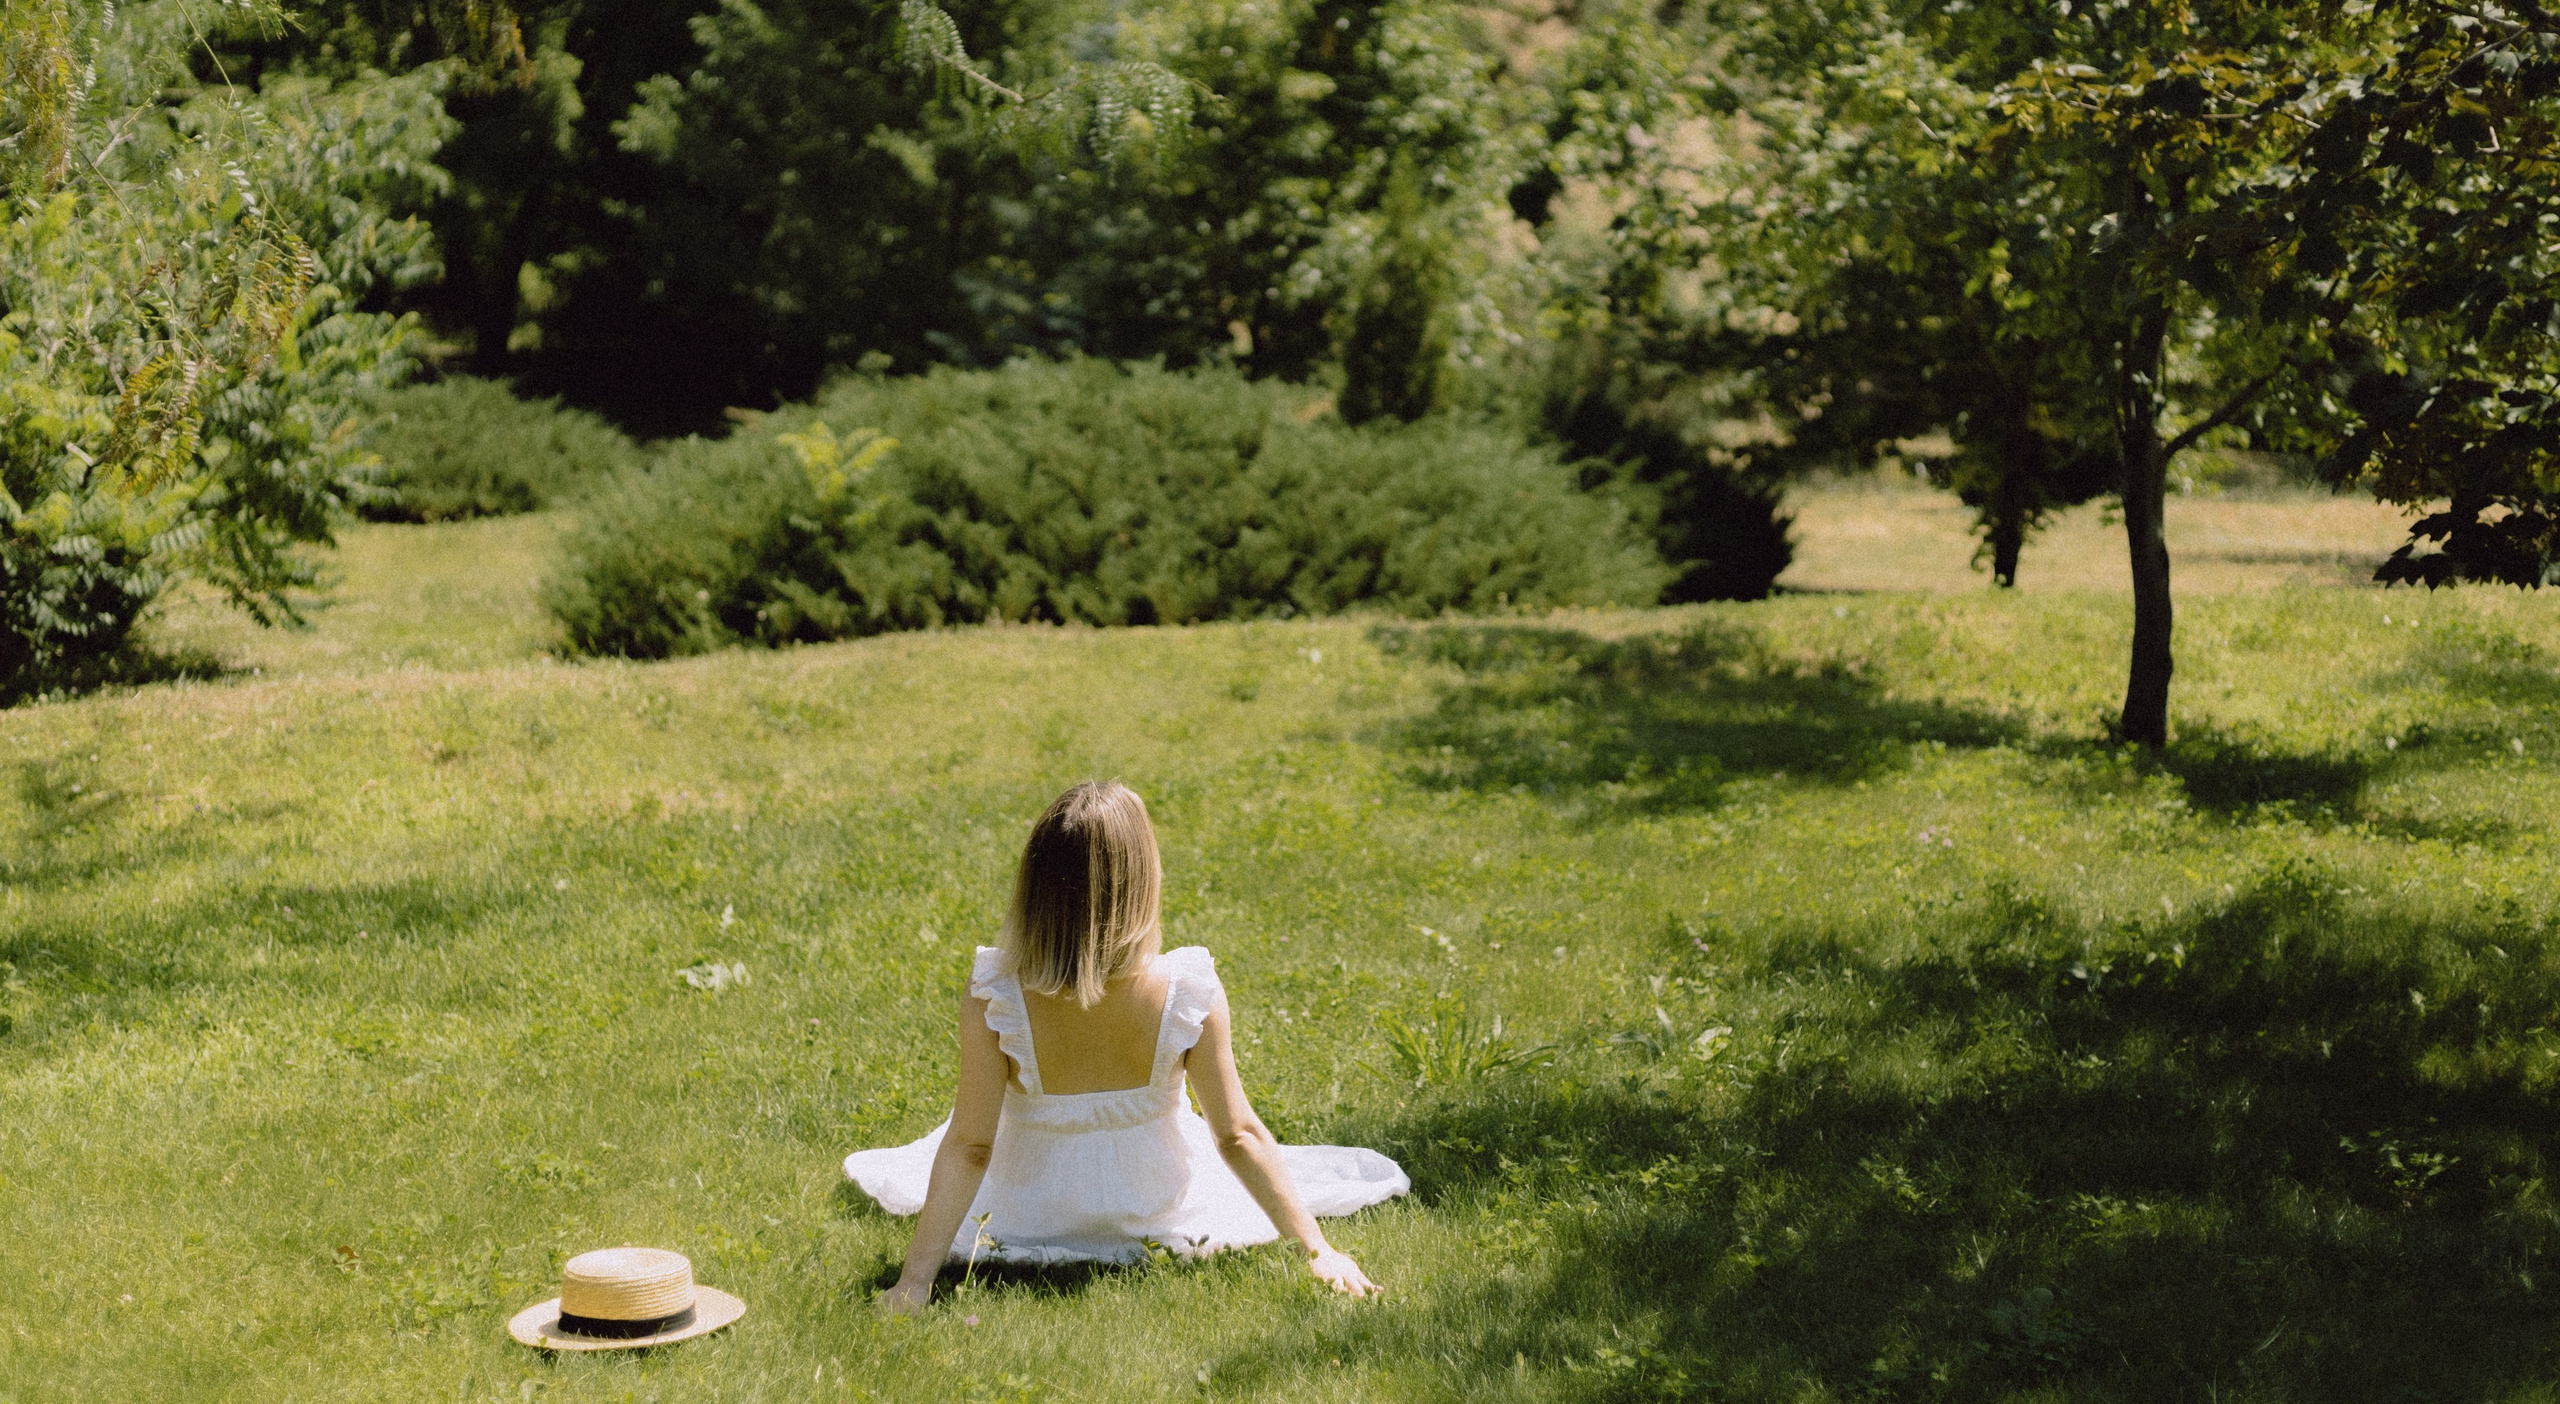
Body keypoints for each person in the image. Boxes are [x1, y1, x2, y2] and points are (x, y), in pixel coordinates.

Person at [846, 781, 1408, 1314]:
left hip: (1030, 1213)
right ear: (1142, 886)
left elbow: (970, 1144)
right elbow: (1236, 1134)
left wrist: (914, 1282)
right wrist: (1318, 1250)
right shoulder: (1188, 992)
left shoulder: (996, 994)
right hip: (1159, 1207)